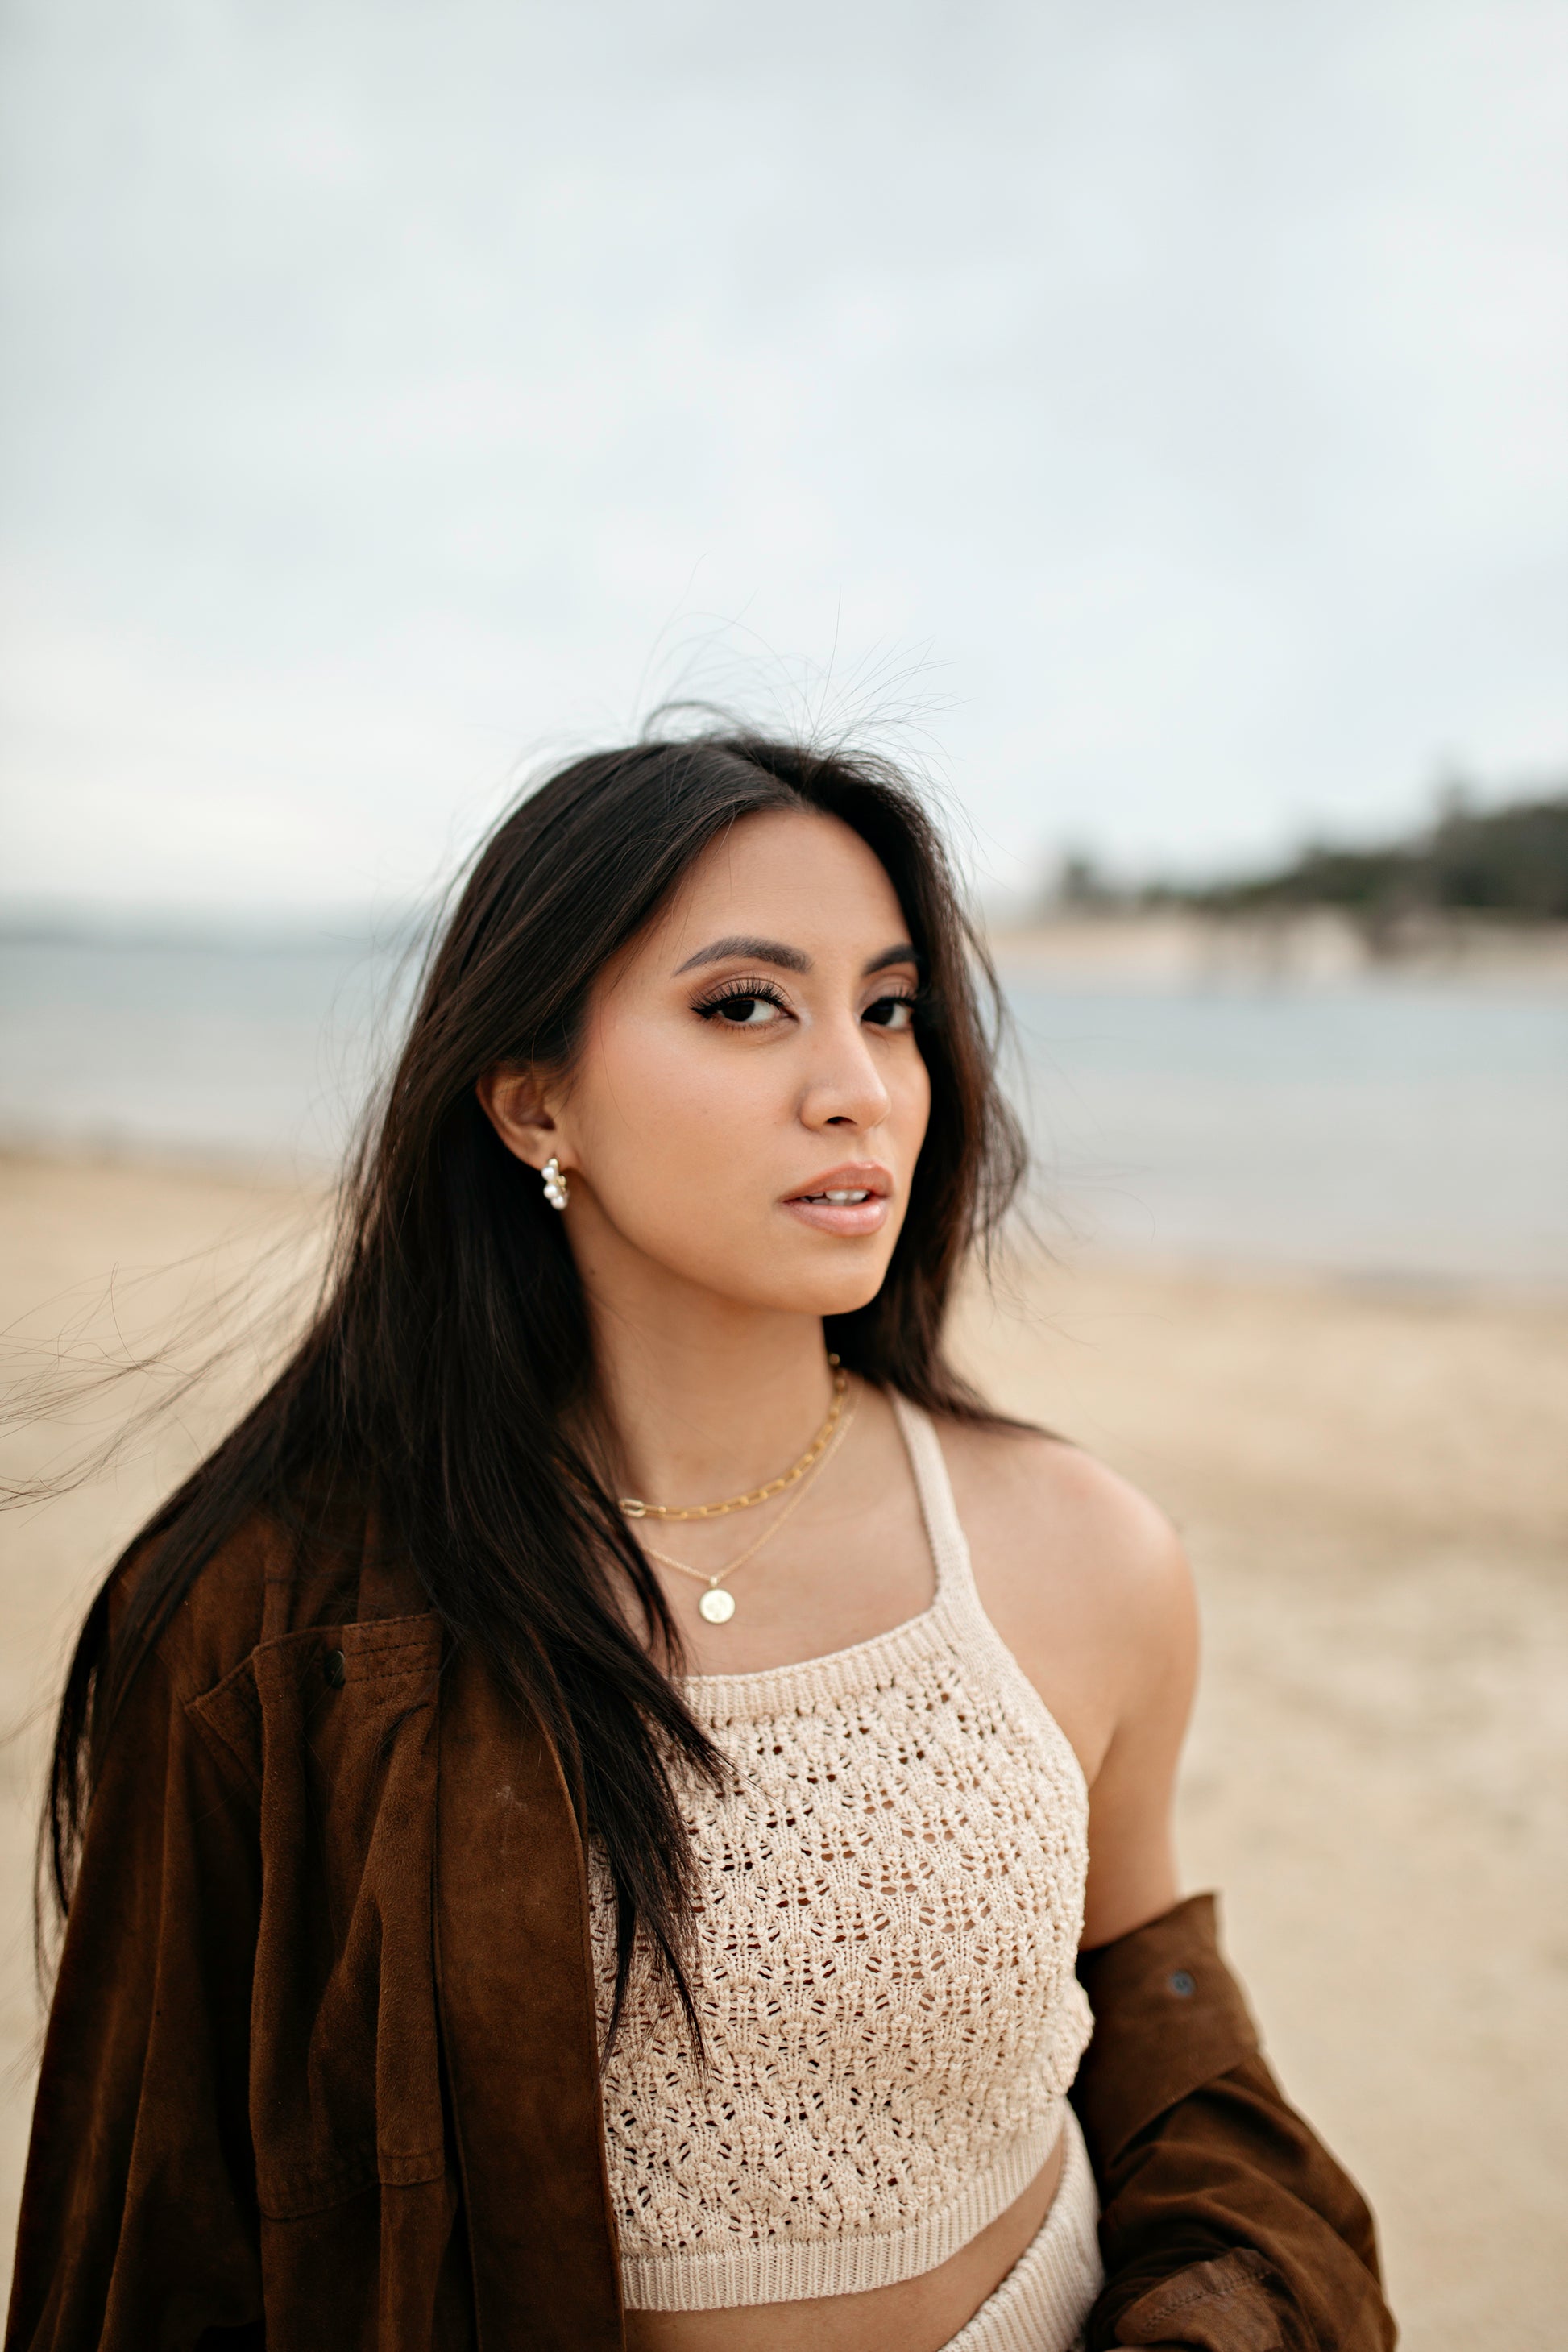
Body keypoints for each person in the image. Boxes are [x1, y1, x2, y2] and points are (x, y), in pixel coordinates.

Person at [6, 733, 1394, 2352]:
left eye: (887, 1008)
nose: (856, 1084)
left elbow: (1175, 2067)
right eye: (746, 1004)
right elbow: (156, 2228)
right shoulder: (274, 1620)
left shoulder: (1085, 1554)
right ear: (533, 1097)